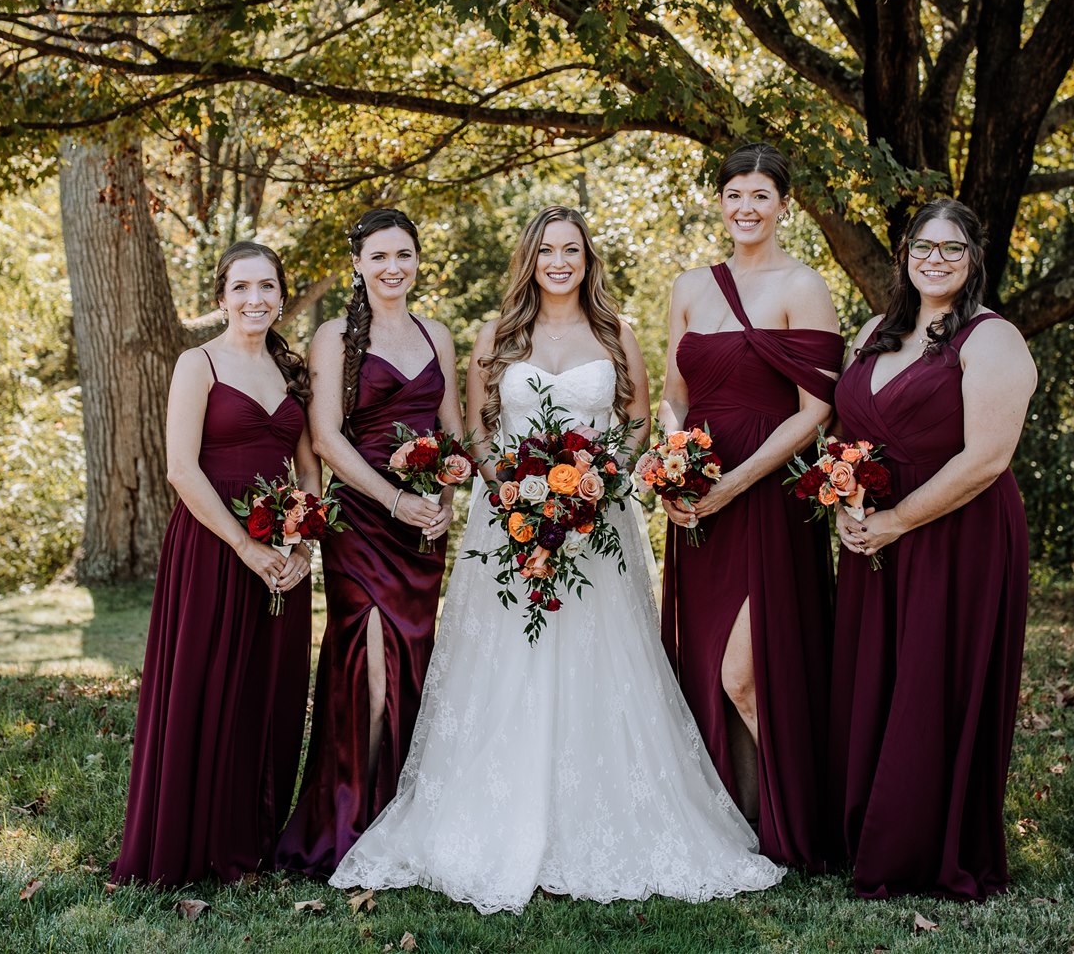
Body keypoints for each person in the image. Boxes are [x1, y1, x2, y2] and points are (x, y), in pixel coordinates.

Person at [331, 206, 781, 912]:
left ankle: (603, 817)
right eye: (548, 250)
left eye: (572, 249)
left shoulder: (616, 332)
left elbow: (637, 419)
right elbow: (476, 429)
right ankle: (492, 819)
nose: (560, 261)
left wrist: (604, 483)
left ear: (587, 258)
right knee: (507, 668)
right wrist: (508, 490)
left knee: (603, 664)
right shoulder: (497, 335)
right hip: (507, 529)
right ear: (530, 260)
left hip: (598, 531)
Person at [831, 199, 1036, 900]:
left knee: (932, 682)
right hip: (874, 537)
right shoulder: (873, 331)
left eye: (953, 248)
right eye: (924, 246)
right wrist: (848, 509)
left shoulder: (991, 338)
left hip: (958, 534)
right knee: (877, 679)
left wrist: (898, 520)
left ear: (975, 257)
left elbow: (987, 458)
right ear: (904, 254)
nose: (936, 259)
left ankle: (928, 849)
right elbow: (848, 438)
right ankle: (871, 834)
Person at [657, 143, 845, 869]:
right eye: (734, 193)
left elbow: (816, 410)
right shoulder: (688, 287)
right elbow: (677, 394)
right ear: (720, 201)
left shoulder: (805, 285)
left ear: (783, 205)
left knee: (749, 669)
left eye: (761, 195)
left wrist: (735, 481)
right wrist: (677, 458)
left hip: (767, 496)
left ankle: (804, 819)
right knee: (707, 666)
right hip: (698, 501)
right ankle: (737, 825)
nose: (746, 207)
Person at [114, 241, 318, 886]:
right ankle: (190, 843)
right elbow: (181, 468)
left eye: (266, 288)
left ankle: (249, 844)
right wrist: (245, 546)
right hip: (212, 547)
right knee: (206, 688)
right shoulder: (196, 363)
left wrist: (302, 546)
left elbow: (308, 465)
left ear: (282, 297)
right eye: (242, 288)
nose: (255, 299)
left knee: (268, 693)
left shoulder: (292, 371)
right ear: (221, 298)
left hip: (282, 555)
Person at [277, 210, 463, 875]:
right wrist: (394, 499)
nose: (394, 267)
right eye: (380, 256)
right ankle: (352, 823)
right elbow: (327, 439)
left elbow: (452, 435)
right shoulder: (334, 336)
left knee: (415, 660)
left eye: (404, 254)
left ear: (417, 259)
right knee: (372, 668)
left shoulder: (435, 333)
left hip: (421, 533)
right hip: (362, 521)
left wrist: (441, 502)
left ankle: (405, 819)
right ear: (357, 263)